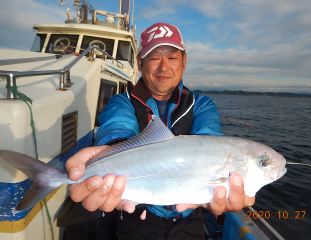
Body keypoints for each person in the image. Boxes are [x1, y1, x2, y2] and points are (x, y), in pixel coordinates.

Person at [64, 22, 255, 239]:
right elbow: (117, 130)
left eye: (172, 58)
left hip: (190, 218)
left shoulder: (201, 104)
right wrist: (112, 151)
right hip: (136, 217)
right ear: (139, 63)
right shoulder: (122, 102)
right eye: (155, 58)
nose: (164, 67)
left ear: (184, 62)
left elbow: (211, 144)